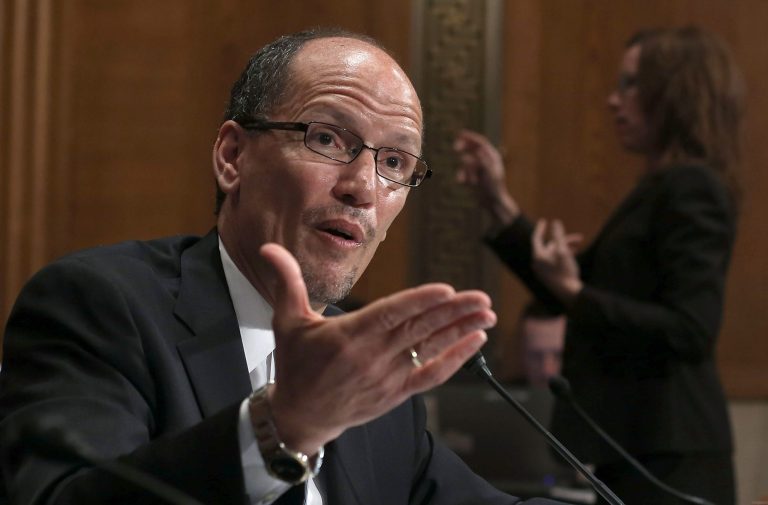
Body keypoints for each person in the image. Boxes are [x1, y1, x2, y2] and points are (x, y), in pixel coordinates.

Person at [0, 29, 570, 505]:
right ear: (233, 157)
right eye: (326, 138)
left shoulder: (364, 370)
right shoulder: (102, 306)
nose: (363, 188)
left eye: (394, 162)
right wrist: (282, 428)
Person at [454, 26, 742, 505]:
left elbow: (690, 328)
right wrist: (499, 205)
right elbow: (571, 286)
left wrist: (574, 292)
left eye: (630, 84)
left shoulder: (693, 188)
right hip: (640, 444)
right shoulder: (660, 188)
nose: (613, 100)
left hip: (672, 451)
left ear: (675, 93)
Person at [516, 301, 565, 389]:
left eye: (558, 356)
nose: (547, 371)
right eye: (535, 356)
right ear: (521, 353)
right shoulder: (500, 395)